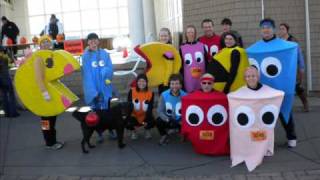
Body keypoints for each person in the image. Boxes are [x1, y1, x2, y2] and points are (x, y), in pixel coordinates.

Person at [247, 18, 297, 148]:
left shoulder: (284, 46)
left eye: (268, 27)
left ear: (273, 29)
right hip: (263, 89)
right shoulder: (255, 48)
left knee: (285, 112)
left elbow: (292, 52)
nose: (266, 30)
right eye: (263, 27)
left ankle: (291, 136)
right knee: (264, 114)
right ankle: (265, 140)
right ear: (261, 30)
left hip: (281, 88)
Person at [81, 33, 114, 143]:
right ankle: (99, 132)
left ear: (98, 41)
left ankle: (111, 130)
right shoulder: (85, 57)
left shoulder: (104, 53)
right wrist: (93, 92)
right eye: (90, 41)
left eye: (95, 40)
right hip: (93, 89)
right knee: (96, 113)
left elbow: (110, 67)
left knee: (108, 111)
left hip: (105, 87)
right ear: (88, 43)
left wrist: (106, 71)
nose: (93, 43)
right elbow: (87, 75)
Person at [35, 35, 64, 150]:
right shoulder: (38, 58)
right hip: (44, 93)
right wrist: (44, 92)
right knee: (46, 120)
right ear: (40, 45)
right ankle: (49, 143)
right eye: (43, 42)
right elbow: (38, 78)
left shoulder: (50, 55)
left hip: (51, 91)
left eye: (47, 41)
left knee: (52, 117)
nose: (46, 43)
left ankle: (52, 141)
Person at [279, 23, 309, 112]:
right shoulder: (279, 41)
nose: (280, 31)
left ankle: (305, 103)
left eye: (282, 29)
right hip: (283, 68)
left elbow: (299, 54)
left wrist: (301, 67)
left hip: (293, 68)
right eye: (280, 29)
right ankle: (283, 106)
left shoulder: (293, 41)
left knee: (297, 86)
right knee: (282, 87)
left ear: (287, 30)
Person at [156, 74, 187, 145]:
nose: (174, 86)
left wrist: (182, 120)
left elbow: (187, 111)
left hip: (180, 120)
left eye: (177, 84)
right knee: (158, 120)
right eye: (172, 84)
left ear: (181, 85)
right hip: (169, 119)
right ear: (169, 85)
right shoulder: (164, 95)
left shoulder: (185, 96)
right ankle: (164, 135)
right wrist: (168, 119)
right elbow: (159, 111)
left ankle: (181, 132)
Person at [126, 74, 155, 140]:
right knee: (128, 122)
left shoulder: (151, 93)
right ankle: (134, 131)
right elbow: (128, 105)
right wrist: (130, 116)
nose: (141, 83)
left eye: (143, 81)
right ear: (137, 82)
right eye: (139, 81)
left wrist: (147, 119)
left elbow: (150, 107)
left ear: (146, 83)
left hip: (145, 116)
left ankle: (147, 129)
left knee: (152, 120)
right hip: (134, 115)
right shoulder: (132, 91)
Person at [179, 25, 206, 92]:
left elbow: (206, 61)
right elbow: (181, 65)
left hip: (201, 77)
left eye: (192, 32)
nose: (190, 34)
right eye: (188, 32)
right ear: (186, 34)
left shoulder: (201, 45)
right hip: (188, 78)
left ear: (195, 33)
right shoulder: (182, 48)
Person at [0, 48, 20, 117]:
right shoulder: (4, 58)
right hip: (5, 77)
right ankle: (13, 112)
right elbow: (10, 63)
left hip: (1, 79)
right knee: (11, 95)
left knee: (4, 95)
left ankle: (7, 112)